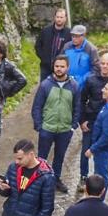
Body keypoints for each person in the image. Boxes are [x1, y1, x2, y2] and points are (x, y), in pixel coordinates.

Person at [31, 56, 80, 194]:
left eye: (62, 66)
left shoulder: (74, 86)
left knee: (60, 157)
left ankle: (56, 179)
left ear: (67, 67)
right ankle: (39, 180)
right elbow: (37, 107)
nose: (59, 69)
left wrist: (73, 126)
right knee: (42, 157)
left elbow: (77, 107)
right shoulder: (45, 85)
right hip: (47, 128)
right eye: (57, 66)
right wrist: (39, 126)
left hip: (65, 130)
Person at [78, 52, 108, 181]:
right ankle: (83, 176)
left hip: (107, 123)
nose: (104, 66)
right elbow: (82, 100)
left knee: (102, 156)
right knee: (85, 151)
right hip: (91, 121)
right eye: (102, 63)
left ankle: (99, 182)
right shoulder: (91, 79)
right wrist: (82, 120)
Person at [34, 8, 73, 79]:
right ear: (54, 17)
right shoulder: (45, 31)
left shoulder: (69, 33)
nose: (59, 19)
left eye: (61, 17)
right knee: (44, 88)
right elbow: (38, 46)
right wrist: (43, 58)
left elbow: (71, 50)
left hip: (61, 68)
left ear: (65, 18)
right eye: (57, 17)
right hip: (46, 67)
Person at [61, 25, 99, 90]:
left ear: (83, 36)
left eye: (77, 36)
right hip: (66, 83)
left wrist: (82, 80)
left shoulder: (91, 49)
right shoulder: (66, 46)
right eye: (73, 36)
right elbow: (60, 62)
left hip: (83, 86)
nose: (74, 38)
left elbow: (96, 69)